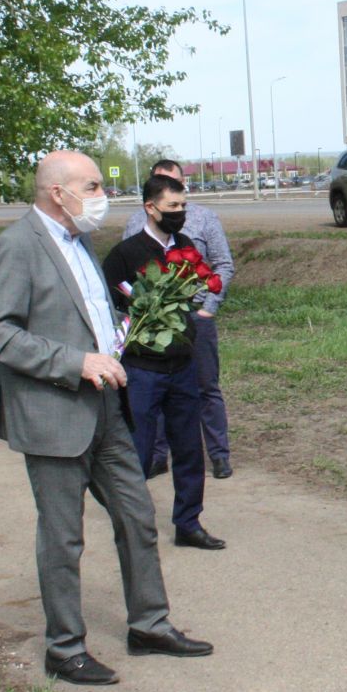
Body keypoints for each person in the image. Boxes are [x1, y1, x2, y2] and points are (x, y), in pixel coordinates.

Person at [0, 151, 211, 685]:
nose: (103, 194)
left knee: (137, 517)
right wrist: (76, 362)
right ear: (58, 193)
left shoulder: (80, 243)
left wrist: (123, 335)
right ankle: (64, 649)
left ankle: (149, 625)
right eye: (94, 185)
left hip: (106, 408)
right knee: (64, 538)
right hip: (53, 414)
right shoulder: (17, 247)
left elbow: (89, 315)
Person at [103, 173, 224, 552]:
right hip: (142, 369)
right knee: (137, 450)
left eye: (183, 206)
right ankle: (134, 527)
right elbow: (109, 301)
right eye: (172, 207)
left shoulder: (186, 245)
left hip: (182, 364)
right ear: (150, 208)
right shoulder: (127, 252)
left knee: (188, 448)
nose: (179, 213)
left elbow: (198, 286)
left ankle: (188, 522)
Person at [146, 159, 236, 483]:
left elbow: (223, 264)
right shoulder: (136, 223)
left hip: (196, 319)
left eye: (175, 183)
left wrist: (208, 307)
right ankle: (157, 456)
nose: (170, 189)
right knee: (155, 388)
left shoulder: (202, 218)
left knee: (206, 387)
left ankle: (219, 455)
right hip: (156, 322)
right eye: (161, 182)